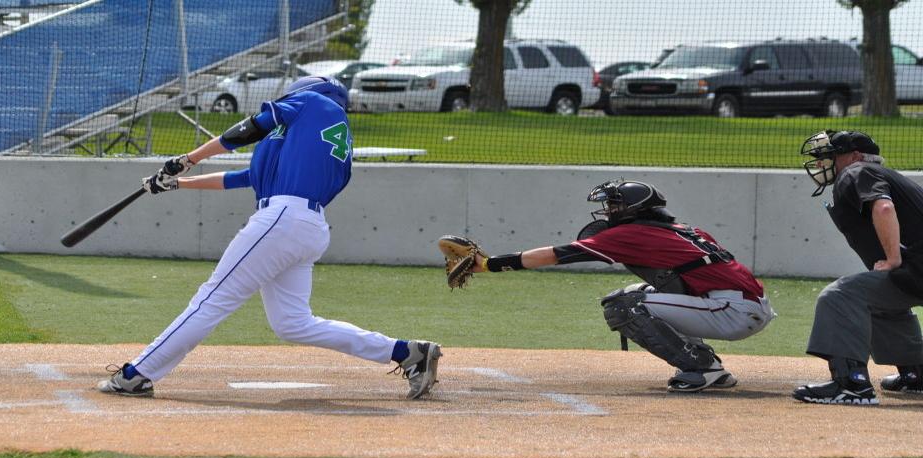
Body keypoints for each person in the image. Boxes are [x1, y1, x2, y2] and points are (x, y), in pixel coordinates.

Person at [96, 76, 442, 400]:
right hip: (304, 225)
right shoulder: (312, 133)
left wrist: (188, 159)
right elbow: (246, 177)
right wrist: (178, 183)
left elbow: (248, 128)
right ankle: (406, 352)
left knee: (212, 298)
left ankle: (137, 373)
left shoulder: (315, 104)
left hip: (282, 219)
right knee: (293, 323)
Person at [460, 179, 775, 393]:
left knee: (624, 306)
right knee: (633, 295)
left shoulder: (632, 233)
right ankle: (712, 368)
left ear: (633, 210)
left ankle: (702, 367)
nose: (608, 211)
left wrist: (489, 264)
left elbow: (557, 255)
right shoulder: (681, 230)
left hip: (731, 310)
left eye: (614, 205)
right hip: (742, 305)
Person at [793, 130, 923, 405]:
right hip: (915, 272)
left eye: (828, 156)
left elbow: (884, 209)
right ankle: (916, 373)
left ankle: (851, 384)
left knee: (840, 297)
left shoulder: (856, 172)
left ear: (852, 156)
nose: (820, 164)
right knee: (878, 298)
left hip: (916, 269)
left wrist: (892, 259)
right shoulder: (881, 175)